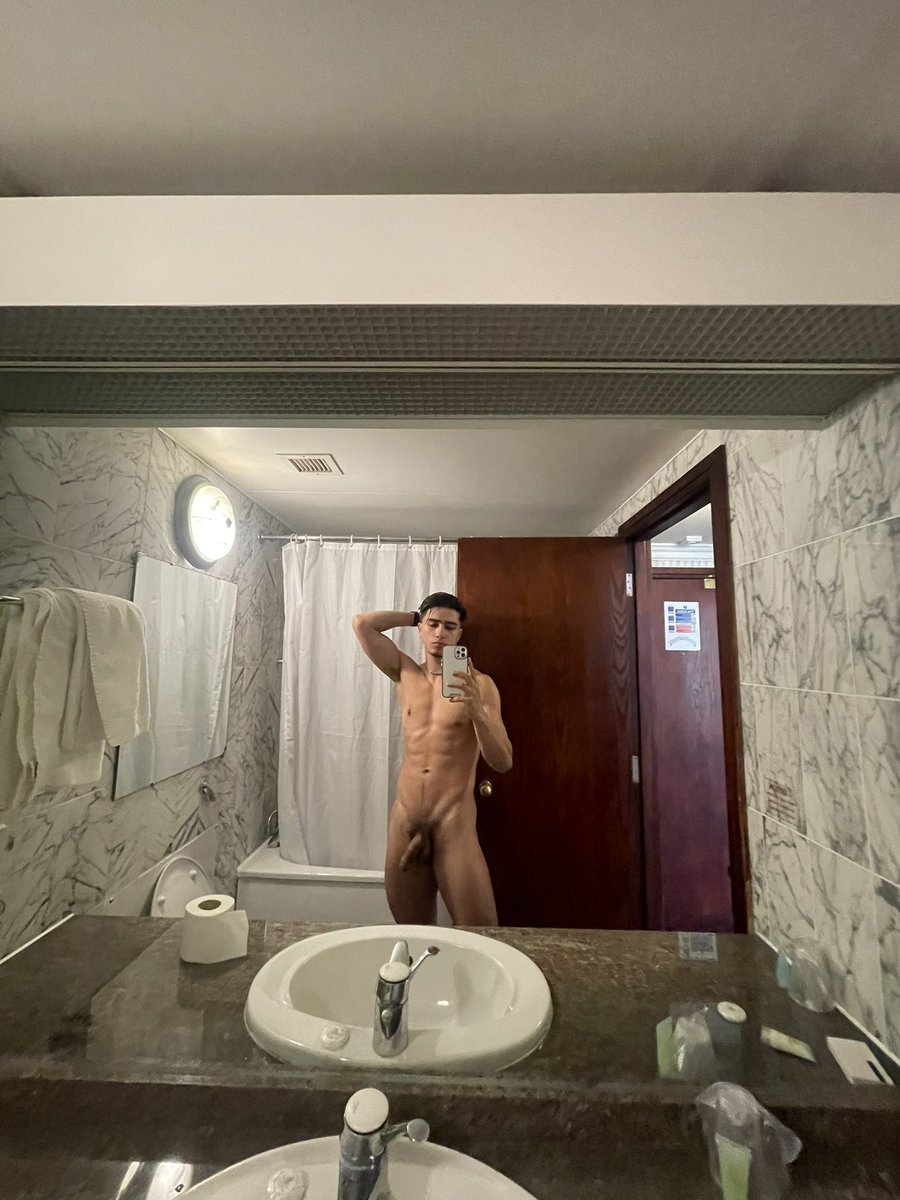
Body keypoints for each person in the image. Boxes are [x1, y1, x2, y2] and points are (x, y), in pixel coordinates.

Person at [352, 592, 512, 926]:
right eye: (433, 625)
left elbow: (503, 761)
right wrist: (415, 616)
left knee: (481, 933)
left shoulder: (480, 686)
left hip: (453, 826)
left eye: (449, 627)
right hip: (405, 823)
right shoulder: (404, 672)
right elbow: (363, 624)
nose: (440, 633)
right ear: (421, 629)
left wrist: (476, 712)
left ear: (459, 634)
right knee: (413, 934)